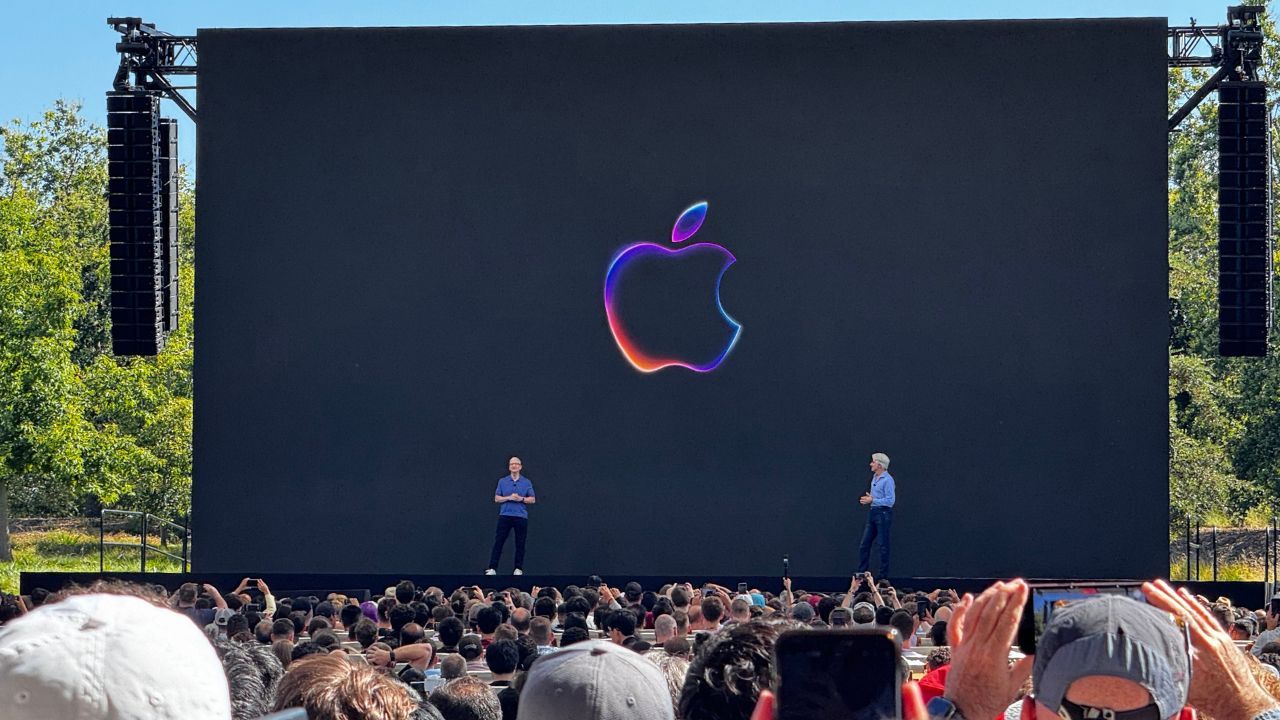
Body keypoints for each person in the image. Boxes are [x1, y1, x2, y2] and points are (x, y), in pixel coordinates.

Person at [486, 456, 536, 576]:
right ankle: (492, 568)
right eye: (512, 464)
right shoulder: (502, 481)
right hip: (505, 515)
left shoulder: (526, 482)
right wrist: (508, 497)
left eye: (516, 464)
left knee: (520, 542)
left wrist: (521, 498)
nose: (514, 466)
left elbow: (532, 499)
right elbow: (497, 498)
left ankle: (518, 568)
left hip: (520, 516)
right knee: (499, 541)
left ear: (520, 467)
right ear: (509, 467)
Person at [857, 452, 895, 578]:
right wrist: (872, 499)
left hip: (883, 514)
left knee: (883, 546)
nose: (871, 464)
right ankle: (861, 574)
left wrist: (872, 500)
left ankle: (882, 578)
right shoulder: (875, 477)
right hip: (873, 512)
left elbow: (890, 501)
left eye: (873, 462)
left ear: (879, 464)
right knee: (864, 544)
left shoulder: (888, 480)